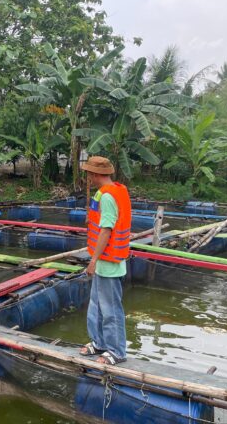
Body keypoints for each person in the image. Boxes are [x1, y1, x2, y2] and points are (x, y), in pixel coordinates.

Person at [78, 156, 131, 365]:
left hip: (108, 263)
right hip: (103, 262)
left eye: (89, 174)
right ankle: (99, 342)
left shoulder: (109, 196)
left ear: (94, 174)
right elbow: (100, 220)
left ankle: (116, 350)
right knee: (96, 306)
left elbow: (107, 230)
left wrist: (93, 260)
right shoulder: (105, 192)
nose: (88, 178)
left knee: (111, 309)